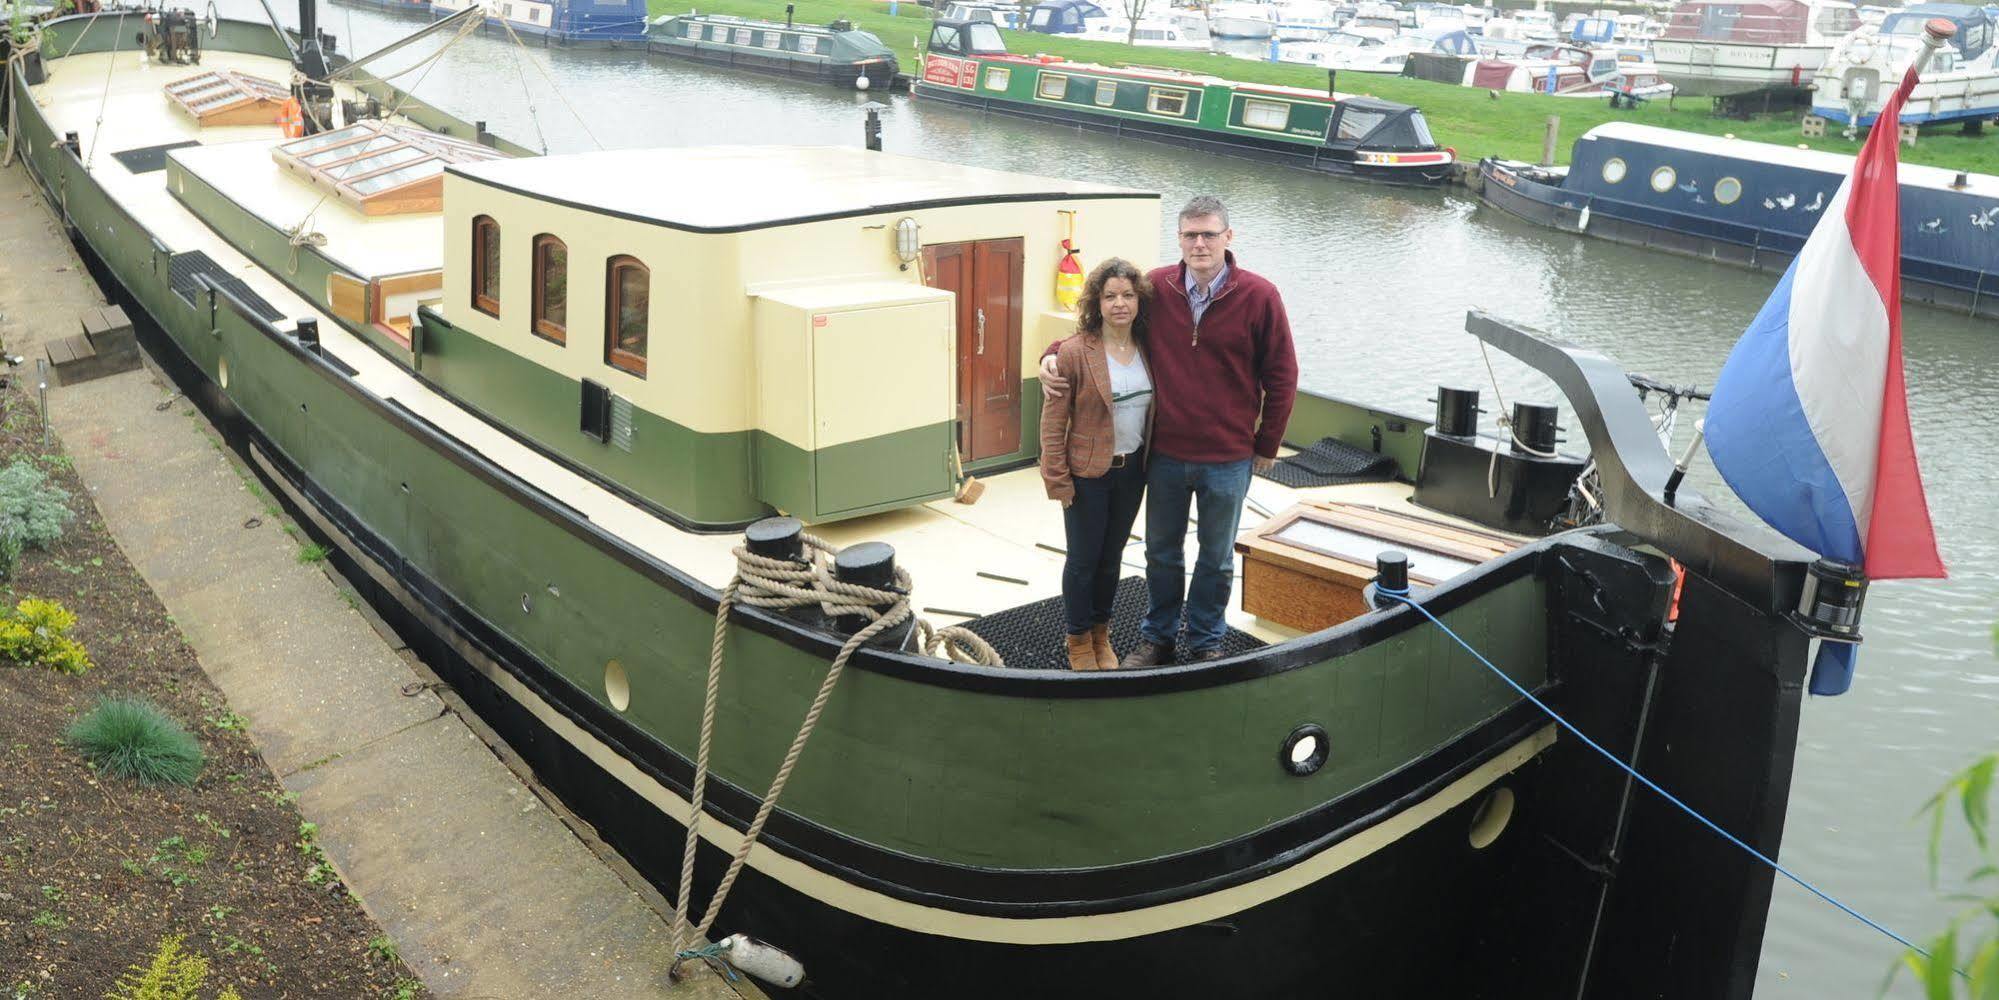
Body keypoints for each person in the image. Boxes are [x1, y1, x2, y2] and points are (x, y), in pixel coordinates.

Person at [1040, 195, 1297, 667]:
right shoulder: (1157, 288)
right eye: (1190, 235)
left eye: (1209, 234)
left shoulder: (1260, 296)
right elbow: (1103, 325)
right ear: (1179, 239)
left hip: (1228, 456)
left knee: (1216, 558)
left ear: (1228, 238)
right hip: (1164, 456)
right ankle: (1157, 638)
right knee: (1161, 553)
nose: (1199, 244)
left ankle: (1204, 640)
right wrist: (1053, 352)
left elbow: (1282, 375)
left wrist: (1267, 443)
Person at [1040, 259, 1155, 672]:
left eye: (1127, 295)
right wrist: (1057, 480)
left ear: (1138, 299)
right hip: (1088, 474)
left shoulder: (1150, 347)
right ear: (1097, 302)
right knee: (1084, 560)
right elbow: (1053, 423)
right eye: (1110, 296)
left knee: (1112, 558)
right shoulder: (1074, 352)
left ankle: (1101, 634)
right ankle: (1077, 640)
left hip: (1132, 472)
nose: (1120, 304)